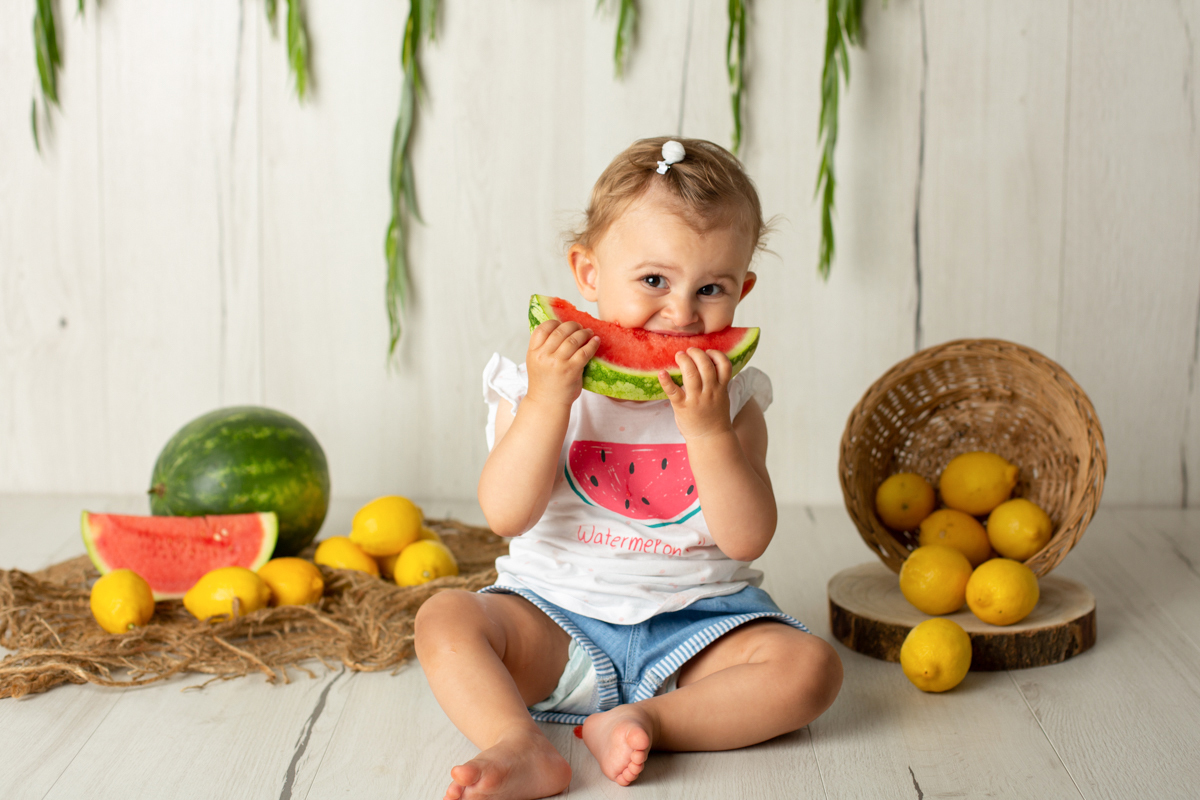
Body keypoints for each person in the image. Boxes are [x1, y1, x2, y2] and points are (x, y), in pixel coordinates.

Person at [415, 137, 843, 800]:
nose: (678, 312)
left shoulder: (733, 400)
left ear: (744, 290)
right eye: (653, 281)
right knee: (443, 619)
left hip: (699, 631)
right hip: (554, 621)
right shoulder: (534, 384)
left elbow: (747, 537)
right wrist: (548, 401)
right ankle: (518, 741)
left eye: (711, 288)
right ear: (587, 273)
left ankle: (648, 719)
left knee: (811, 668)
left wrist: (706, 430)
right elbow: (506, 514)